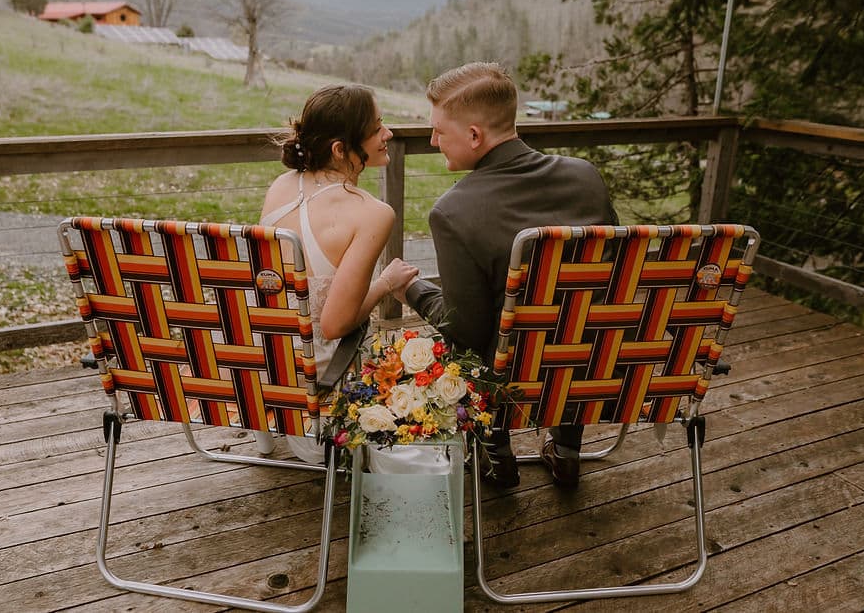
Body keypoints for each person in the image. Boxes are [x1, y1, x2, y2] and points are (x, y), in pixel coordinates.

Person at [388, 62, 618, 489]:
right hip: (597, 370)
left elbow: (467, 331)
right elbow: (610, 280)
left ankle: (495, 450)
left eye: (439, 130)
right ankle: (566, 449)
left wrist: (411, 289)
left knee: (462, 343)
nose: (432, 140)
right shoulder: (586, 177)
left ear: (475, 135)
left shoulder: (454, 212)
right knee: (571, 318)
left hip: (514, 383)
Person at [253, 84, 420, 463]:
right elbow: (335, 324)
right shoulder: (372, 213)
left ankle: (263, 435)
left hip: (258, 372)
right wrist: (387, 283)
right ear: (340, 149)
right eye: (377, 128)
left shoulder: (282, 186)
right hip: (317, 396)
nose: (388, 134)